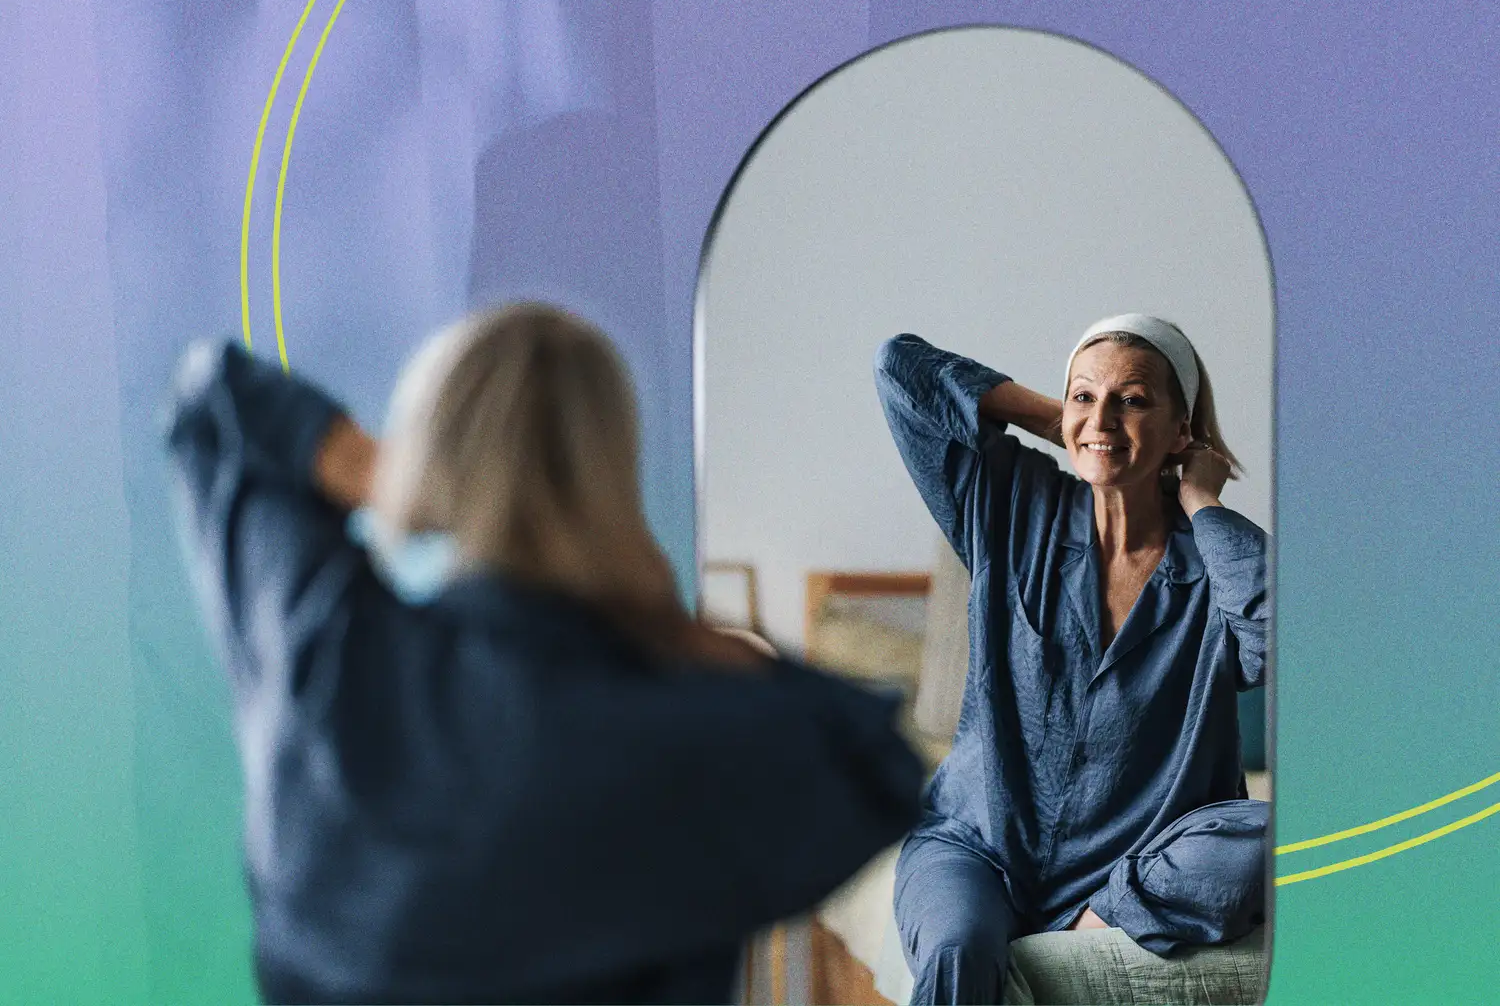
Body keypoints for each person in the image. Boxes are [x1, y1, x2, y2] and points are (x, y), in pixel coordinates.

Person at [163, 302, 924, 1005]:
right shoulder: (689, 740)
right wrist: (666, 624)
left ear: (437, 458)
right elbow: (878, 766)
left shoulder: (331, 658)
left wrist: (387, 478)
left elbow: (214, 405)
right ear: (610, 474)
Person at [875, 315, 1268, 1005]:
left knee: (1280, 832)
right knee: (959, 948)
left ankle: (1112, 911)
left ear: (1182, 432)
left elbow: (1275, 638)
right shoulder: (1012, 504)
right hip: (978, 847)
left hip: (1129, 865)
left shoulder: (1211, 565)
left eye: (1135, 399)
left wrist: (1202, 502)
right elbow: (899, 370)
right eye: (1087, 394)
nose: (1105, 416)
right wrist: (1066, 421)